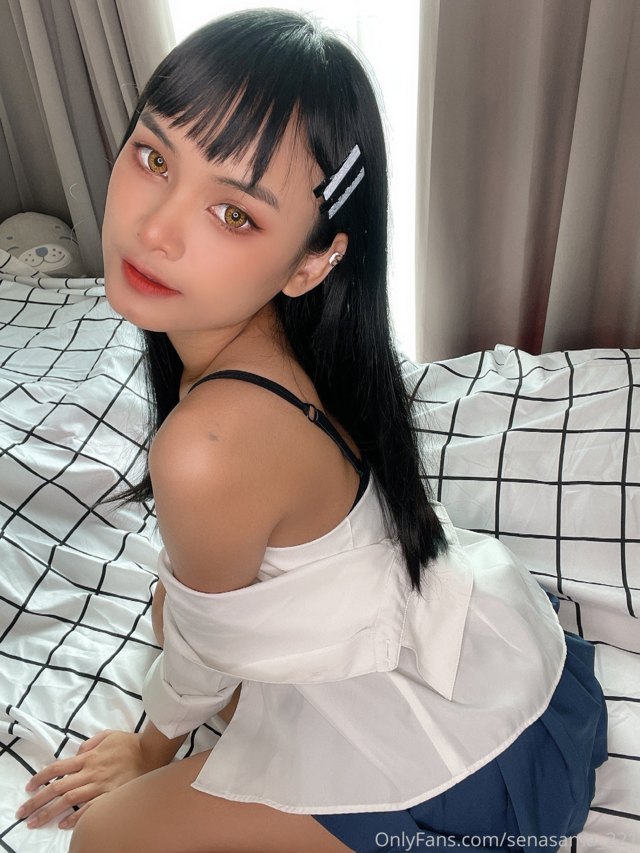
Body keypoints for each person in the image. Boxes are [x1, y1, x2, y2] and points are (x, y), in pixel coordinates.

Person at [16, 9, 607, 853]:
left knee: (102, 839)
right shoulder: (294, 339)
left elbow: (198, 652)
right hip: (483, 645)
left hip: (465, 760)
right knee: (171, 607)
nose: (154, 229)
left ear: (312, 261)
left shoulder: (204, 448)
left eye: (235, 215)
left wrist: (149, 746)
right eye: (155, 158)